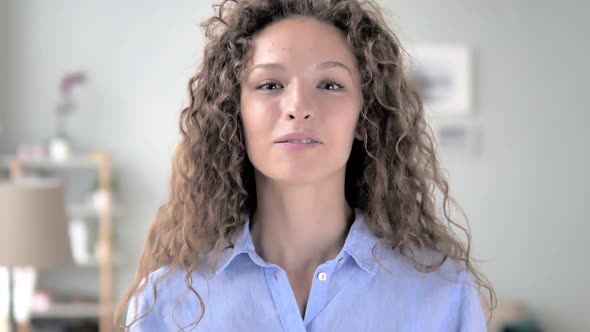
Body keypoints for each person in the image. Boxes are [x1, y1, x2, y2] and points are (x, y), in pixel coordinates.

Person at [115, 0, 495, 331]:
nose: (298, 106)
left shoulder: (445, 296)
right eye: (270, 85)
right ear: (235, 112)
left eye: (330, 84)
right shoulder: (165, 302)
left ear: (365, 116)